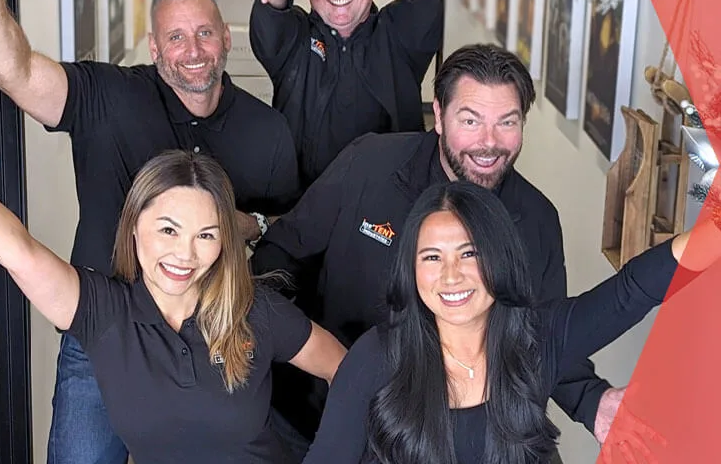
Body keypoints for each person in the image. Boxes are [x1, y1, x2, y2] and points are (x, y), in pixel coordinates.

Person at [0, 0, 301, 464]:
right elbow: (15, 73)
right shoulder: (107, 96)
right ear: (156, 49)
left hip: (212, 340)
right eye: (175, 38)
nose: (193, 50)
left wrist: (249, 224)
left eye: (205, 33)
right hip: (104, 334)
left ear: (226, 37)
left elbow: (288, 227)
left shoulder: (267, 131)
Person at [0, 40, 347, 464]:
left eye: (206, 235)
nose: (185, 254)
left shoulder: (254, 310)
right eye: (168, 230)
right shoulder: (103, 313)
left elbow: (344, 370)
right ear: (134, 227)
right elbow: (17, 249)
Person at [250, 44, 617, 451]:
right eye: (470, 120)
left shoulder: (537, 220)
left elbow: (544, 334)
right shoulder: (367, 164)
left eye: (507, 122)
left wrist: (593, 400)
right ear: (439, 116)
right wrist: (294, 350)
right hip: (322, 418)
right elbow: (280, 255)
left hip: (451, 443)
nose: (489, 143)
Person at [301, 180, 714, 463]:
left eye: (469, 253)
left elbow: (632, 291)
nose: (450, 276)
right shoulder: (377, 357)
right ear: (411, 270)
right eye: (432, 257)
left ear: (499, 258)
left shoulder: (539, 338)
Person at [250, 0, 444, 187]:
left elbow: (422, 19)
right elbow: (271, 30)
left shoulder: (396, 34)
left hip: (390, 202)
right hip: (303, 203)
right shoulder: (295, 38)